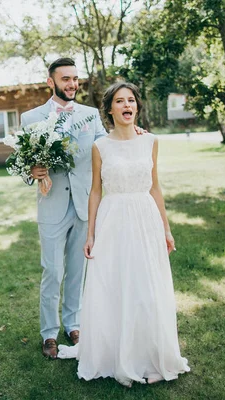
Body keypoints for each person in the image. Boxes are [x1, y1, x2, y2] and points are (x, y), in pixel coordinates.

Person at [76, 81, 190, 385]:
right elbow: (96, 192)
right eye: (120, 101)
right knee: (115, 284)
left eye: (131, 100)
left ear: (136, 106)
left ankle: (148, 354)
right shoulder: (100, 146)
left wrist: (166, 228)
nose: (127, 106)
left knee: (146, 286)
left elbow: (155, 186)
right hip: (112, 220)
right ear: (110, 109)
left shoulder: (150, 141)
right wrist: (91, 234)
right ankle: (115, 353)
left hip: (145, 220)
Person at [20, 58, 108, 359]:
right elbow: (23, 166)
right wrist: (31, 171)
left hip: (84, 204)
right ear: (51, 82)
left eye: (75, 78)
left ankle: (74, 324)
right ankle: (49, 333)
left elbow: (106, 149)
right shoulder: (30, 118)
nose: (72, 84)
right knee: (53, 271)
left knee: (77, 271)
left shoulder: (91, 114)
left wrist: (132, 135)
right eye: (66, 79)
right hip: (52, 205)